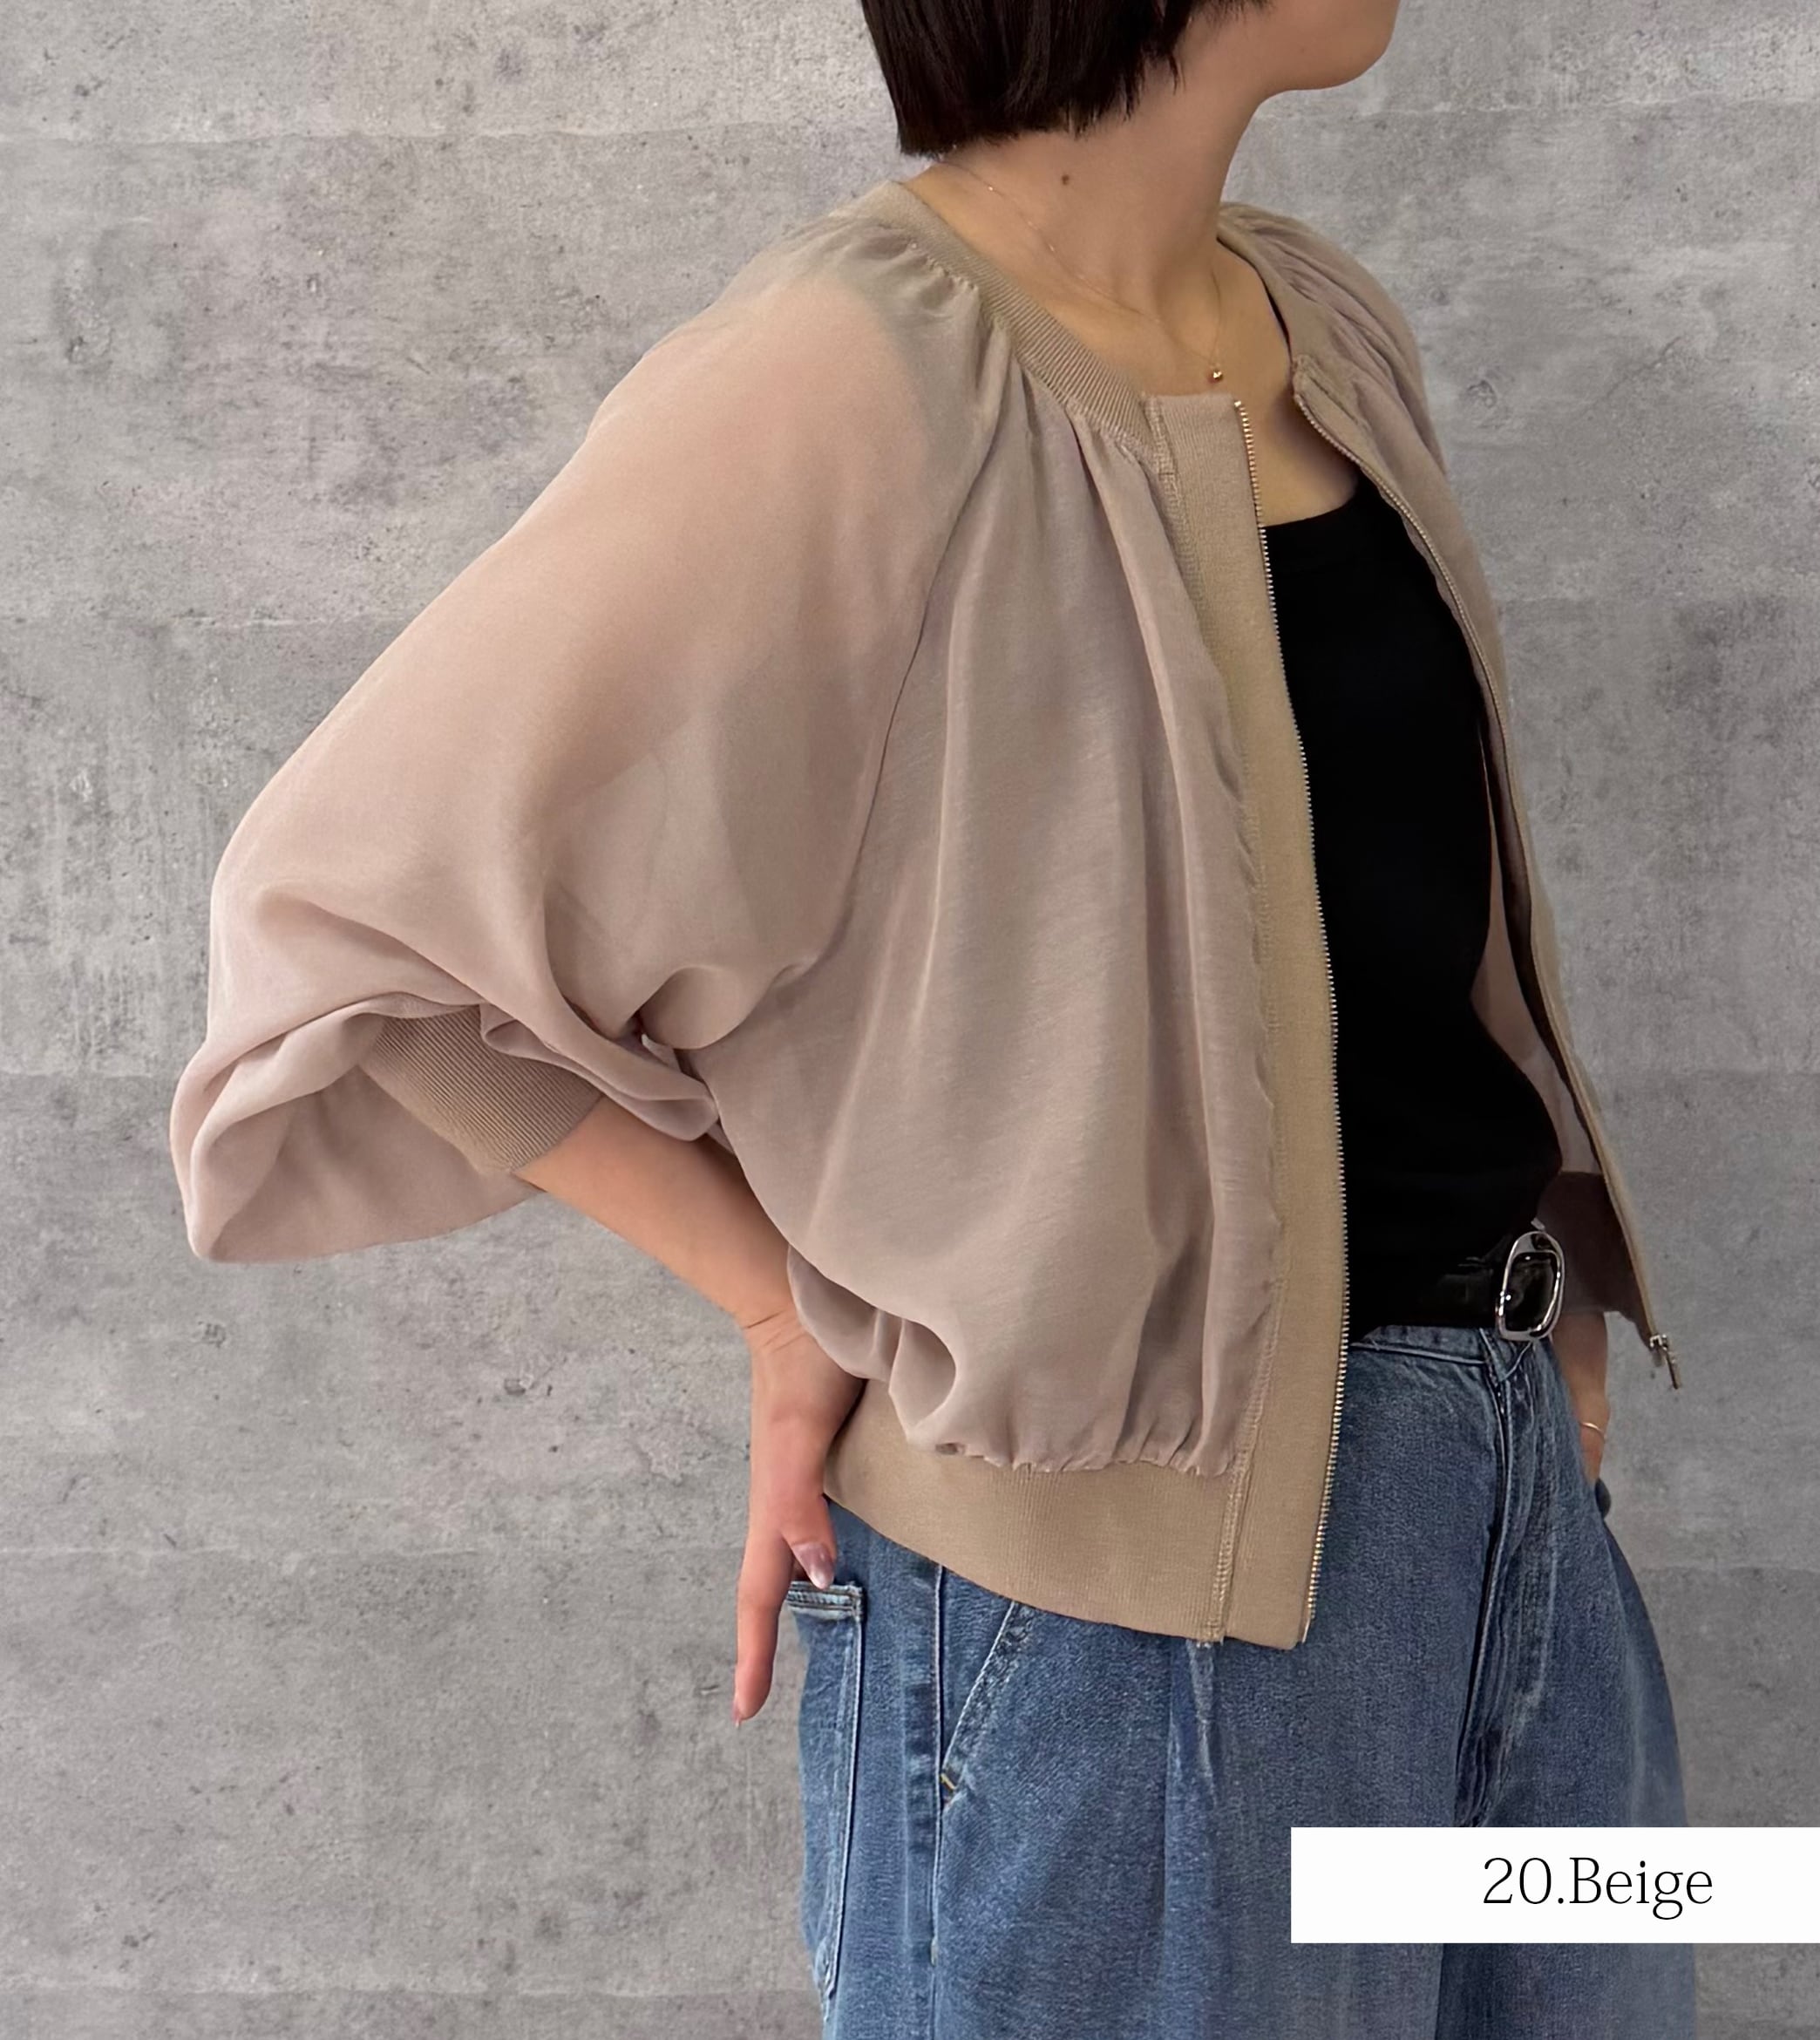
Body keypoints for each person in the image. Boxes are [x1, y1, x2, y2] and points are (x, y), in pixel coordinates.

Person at [168, 0, 1696, 2031]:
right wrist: (768, 1298)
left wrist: (1536, 1354)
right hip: (1118, 1645)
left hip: (1509, 1536)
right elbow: (354, 920)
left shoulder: (1321, 324)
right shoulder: (849, 370)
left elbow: (1404, 937)